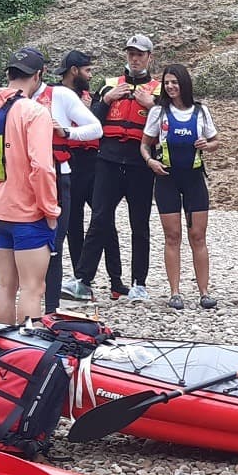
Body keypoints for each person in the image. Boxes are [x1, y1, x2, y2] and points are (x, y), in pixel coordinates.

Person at [0, 47, 58, 326]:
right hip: (28, 214)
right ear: (38, 76)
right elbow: (41, 167)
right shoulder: (35, 113)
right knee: (33, 288)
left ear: (8, 74)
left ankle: (1, 356)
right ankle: (26, 358)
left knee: (5, 287)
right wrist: (49, 209)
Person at [70, 33, 159, 303]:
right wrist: (106, 101)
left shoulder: (158, 89)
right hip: (107, 161)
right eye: (131, 53)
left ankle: (138, 284)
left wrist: (152, 105)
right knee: (99, 220)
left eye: (140, 54)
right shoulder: (108, 86)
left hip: (140, 164)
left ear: (149, 57)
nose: (134, 58)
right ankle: (82, 280)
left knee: (139, 225)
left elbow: (169, 124)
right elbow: (89, 120)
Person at [141, 63, 221, 310]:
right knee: (172, 236)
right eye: (166, 83)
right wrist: (150, 161)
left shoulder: (201, 111)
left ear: (184, 83)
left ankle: (204, 292)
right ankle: (175, 292)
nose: (171, 86)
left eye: (174, 82)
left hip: (195, 179)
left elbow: (216, 140)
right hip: (167, 179)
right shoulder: (158, 112)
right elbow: (145, 145)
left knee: (198, 236)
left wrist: (208, 145)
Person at [37, 50, 104, 314]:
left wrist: (66, 131)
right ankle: (66, 285)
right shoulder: (25, 99)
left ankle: (105, 282)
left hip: (85, 165)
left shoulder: (72, 96)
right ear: (74, 70)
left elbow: (96, 126)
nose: (90, 75)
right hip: (57, 169)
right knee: (66, 226)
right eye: (87, 70)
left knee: (101, 221)